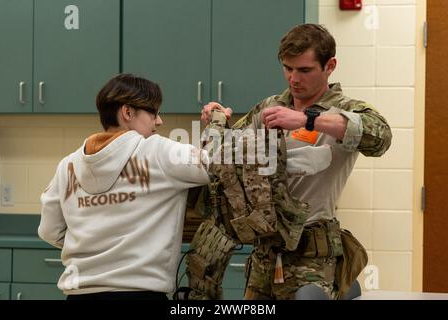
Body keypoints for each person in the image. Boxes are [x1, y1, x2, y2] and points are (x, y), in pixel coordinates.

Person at [200, 24, 392, 299]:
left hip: (312, 257)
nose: (293, 78)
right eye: (287, 68)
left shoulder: (345, 109)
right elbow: (225, 155)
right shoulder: (270, 106)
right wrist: (218, 120)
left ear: (330, 66)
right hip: (265, 255)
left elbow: (381, 136)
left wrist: (307, 119)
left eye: (304, 70)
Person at [38, 74, 212, 300]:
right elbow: (220, 165)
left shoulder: (67, 166)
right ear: (127, 113)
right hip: (140, 293)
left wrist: (95, 244)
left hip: (79, 293)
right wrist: (216, 125)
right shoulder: (158, 151)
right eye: (153, 112)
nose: (159, 121)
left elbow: (48, 231)